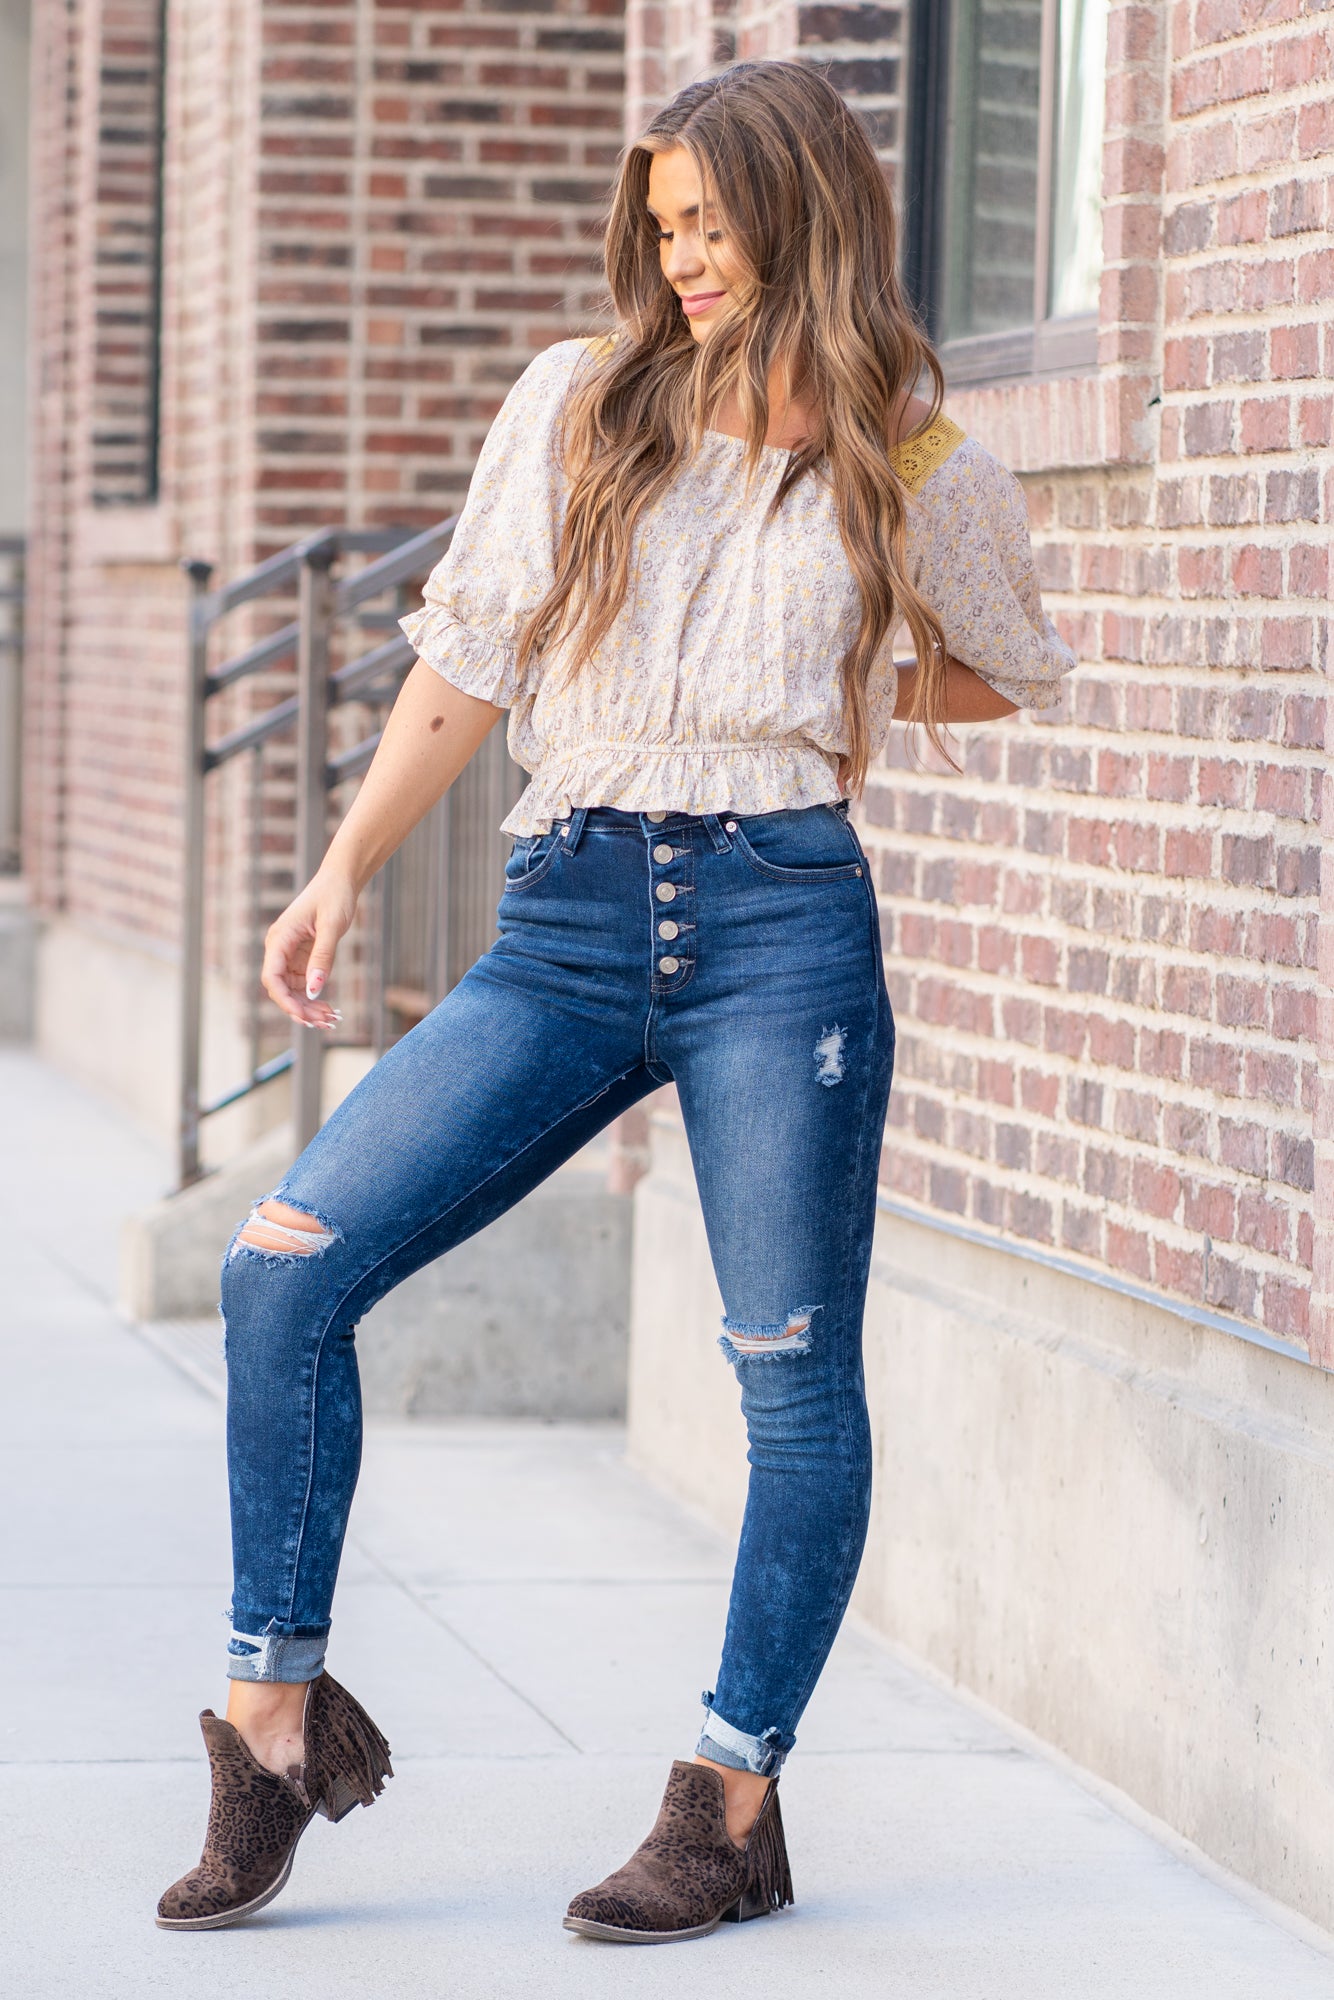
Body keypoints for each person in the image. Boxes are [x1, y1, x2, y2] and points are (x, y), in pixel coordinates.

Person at [157, 58, 1075, 1942]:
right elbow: (470, 661)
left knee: (788, 1378)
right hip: (566, 917)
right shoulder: (577, 400)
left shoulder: (910, 454)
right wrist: (338, 870)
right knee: (282, 1271)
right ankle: (270, 1724)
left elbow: (1008, 663)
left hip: (780, 927)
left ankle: (727, 1801)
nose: (683, 261)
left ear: (802, 216)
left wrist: (839, 680)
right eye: (662, 229)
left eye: (713, 226)